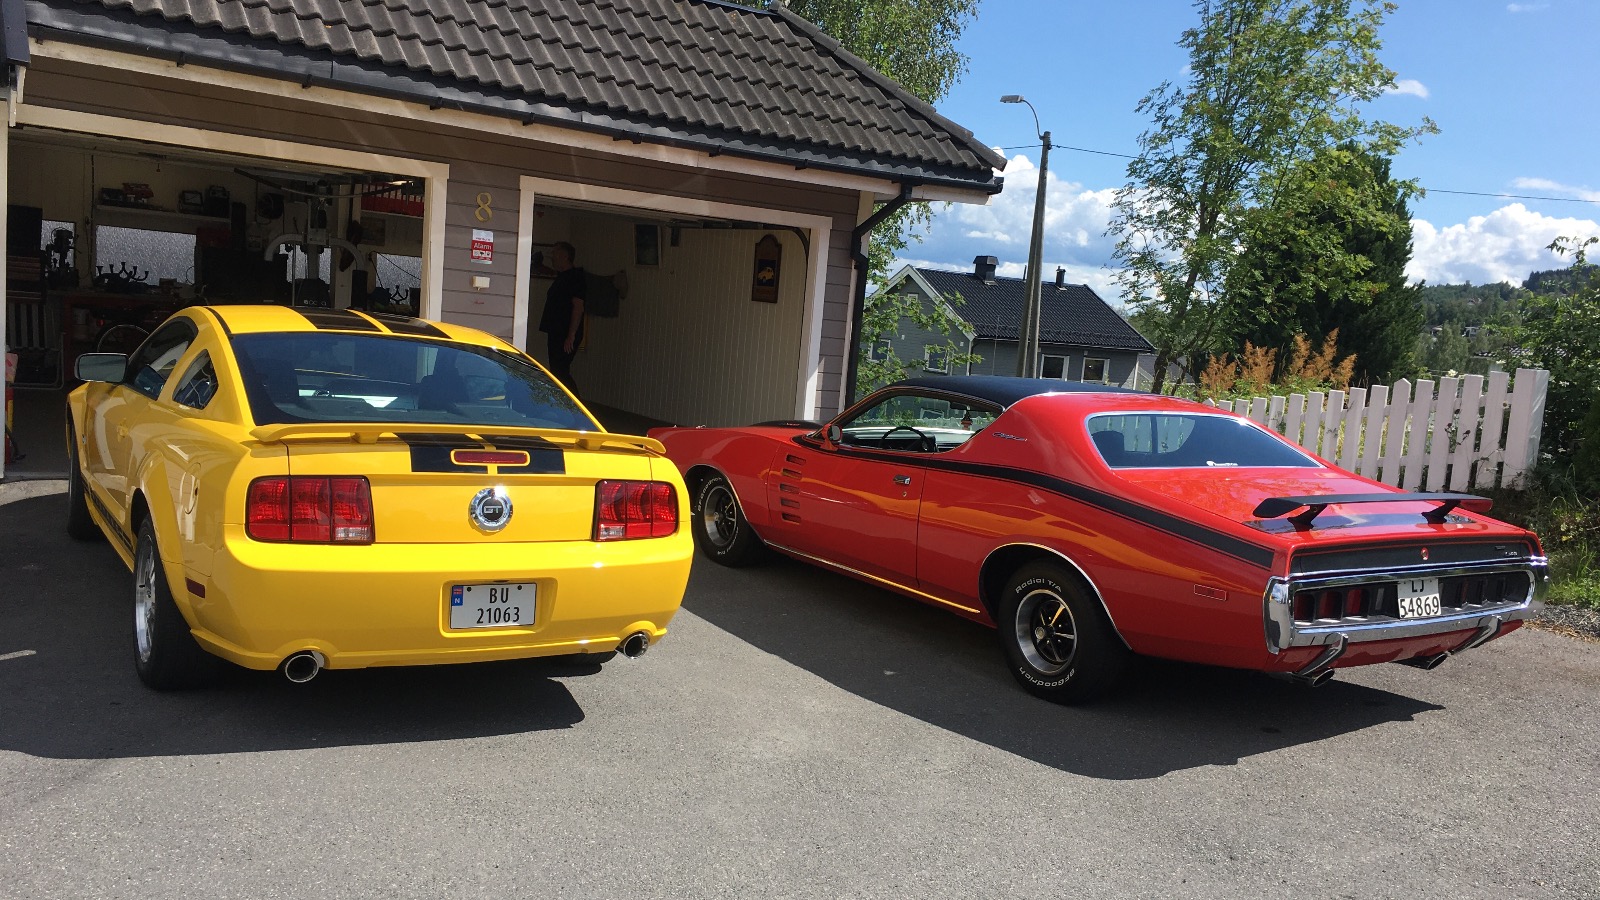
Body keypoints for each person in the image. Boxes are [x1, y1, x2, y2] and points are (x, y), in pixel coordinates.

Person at [537, 241, 585, 394]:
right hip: (556, 331)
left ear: (564, 256)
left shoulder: (575, 277)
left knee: (561, 371)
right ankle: (564, 405)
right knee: (556, 370)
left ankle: (575, 407)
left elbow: (578, 307)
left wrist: (571, 335)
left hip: (566, 333)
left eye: (555, 255)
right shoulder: (562, 277)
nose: (552, 258)